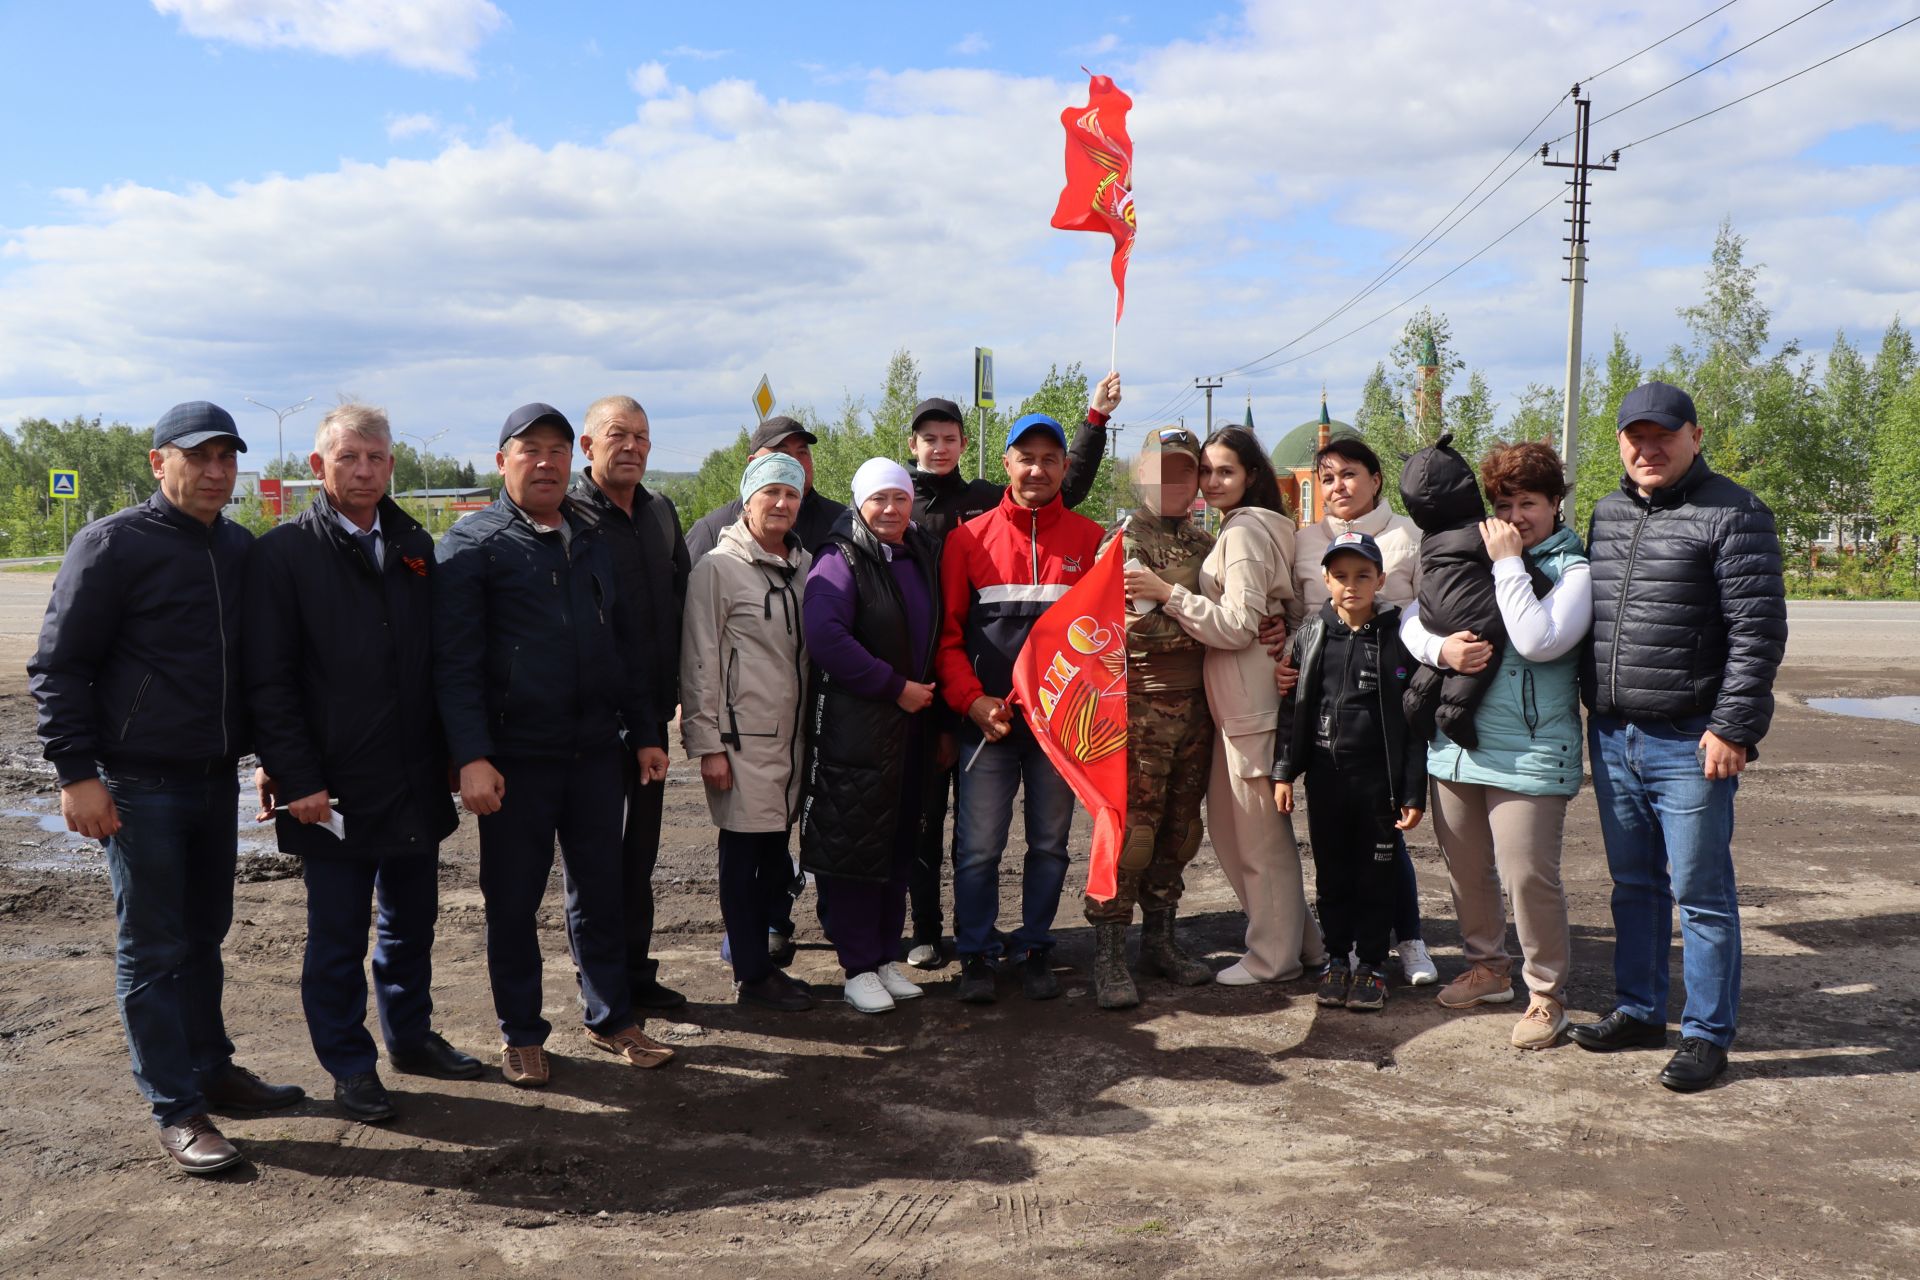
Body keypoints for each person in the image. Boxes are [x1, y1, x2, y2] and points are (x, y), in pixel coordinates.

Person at [29, 401, 303, 1175]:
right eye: (198, 457)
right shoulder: (113, 544)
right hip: (137, 782)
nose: (216, 472)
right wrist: (77, 774)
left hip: (214, 780)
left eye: (227, 459)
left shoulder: (240, 550)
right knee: (153, 947)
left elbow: (259, 673)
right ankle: (177, 1109)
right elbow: (60, 667)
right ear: (159, 462)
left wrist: (272, 757)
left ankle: (212, 1068)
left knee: (204, 934)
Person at [245, 404, 479, 1123]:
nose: (366, 471)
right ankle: (349, 1064)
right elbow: (269, 681)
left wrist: (449, 755)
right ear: (318, 467)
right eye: (350, 458)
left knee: (412, 922)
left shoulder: (411, 542)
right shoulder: (284, 554)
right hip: (333, 789)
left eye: (377, 458)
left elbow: (438, 660)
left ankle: (410, 1037)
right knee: (340, 933)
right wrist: (298, 774)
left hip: (411, 775)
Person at [434, 402, 674, 1086]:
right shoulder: (473, 546)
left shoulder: (590, 537)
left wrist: (646, 733)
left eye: (558, 451)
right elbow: (454, 665)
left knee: (601, 891)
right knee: (513, 900)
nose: (546, 462)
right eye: (530, 449)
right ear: (502, 460)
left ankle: (611, 1018)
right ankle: (522, 1032)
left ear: (574, 461)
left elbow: (621, 647)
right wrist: (472, 756)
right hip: (516, 760)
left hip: (596, 752)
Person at [1569, 381, 1786, 1092]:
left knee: (1700, 892)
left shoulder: (1735, 513)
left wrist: (1734, 727)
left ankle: (1706, 1034)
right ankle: (1638, 1008)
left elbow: (1757, 634)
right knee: (1633, 885)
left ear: (1695, 436)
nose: (1647, 447)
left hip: (1691, 742)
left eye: (1663, 434)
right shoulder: (1606, 513)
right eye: (1635, 435)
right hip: (1614, 735)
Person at [900, 379, 1118, 970]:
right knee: (976, 851)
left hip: (1058, 732)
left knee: (1048, 847)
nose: (1038, 470)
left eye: (1050, 460)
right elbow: (946, 639)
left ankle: (1036, 945)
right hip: (987, 725)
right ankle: (975, 951)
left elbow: (1102, 642)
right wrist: (970, 702)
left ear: (1063, 466)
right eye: (1027, 459)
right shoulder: (968, 541)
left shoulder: (1089, 540)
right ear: (1006, 464)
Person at [1398, 441, 1590, 1050]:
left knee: (1527, 875)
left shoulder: (1573, 571)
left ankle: (1545, 995)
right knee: (1466, 872)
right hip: (1458, 746)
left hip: (1530, 751)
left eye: (1529, 502)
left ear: (1556, 503)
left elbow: (1537, 639)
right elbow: (1415, 617)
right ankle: (1488, 969)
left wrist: (1507, 564)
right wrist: (1442, 651)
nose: (1515, 516)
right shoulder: (1474, 549)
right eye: (1504, 503)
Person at [1134, 425, 1324, 987]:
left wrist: (1169, 593)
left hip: (1248, 702)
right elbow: (1273, 614)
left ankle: (1274, 957)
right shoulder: (1255, 528)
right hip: (1242, 700)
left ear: (1252, 477)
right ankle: (1303, 945)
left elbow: (1238, 627)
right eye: (1206, 470)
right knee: (1240, 829)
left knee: (1257, 838)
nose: (1211, 482)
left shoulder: (1242, 533)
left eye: (1225, 471)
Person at [1287, 437, 1437, 985]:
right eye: (1326, 478)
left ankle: (1410, 938)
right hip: (1325, 697)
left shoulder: (1409, 536)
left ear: (1375, 478)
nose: (1337, 487)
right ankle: (1344, 951)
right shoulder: (1303, 540)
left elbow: (1429, 617)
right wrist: (1284, 655)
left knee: (1385, 835)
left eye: (1349, 474)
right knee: (1339, 847)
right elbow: (1290, 613)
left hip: (1386, 699)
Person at [798, 459, 941, 1013]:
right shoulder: (840, 559)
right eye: (879, 499)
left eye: (900, 498)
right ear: (859, 503)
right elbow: (826, 637)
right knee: (854, 846)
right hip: (856, 730)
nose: (890, 509)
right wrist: (894, 685)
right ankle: (856, 965)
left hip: (911, 728)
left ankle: (884, 956)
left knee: (898, 844)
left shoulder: (919, 551)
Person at [1087, 426, 1217, 1009]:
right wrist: (1199, 619)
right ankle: (1109, 953)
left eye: (1185, 471)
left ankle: (1159, 941)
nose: (1174, 482)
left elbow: (1234, 620)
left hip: (1198, 710)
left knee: (1182, 831)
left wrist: (1205, 617)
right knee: (1132, 834)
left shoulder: (1207, 543)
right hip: (1138, 711)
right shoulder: (1120, 544)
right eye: (1162, 469)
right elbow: (1130, 629)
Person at [568, 395, 691, 1012]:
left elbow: (680, 604)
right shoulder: (566, 517)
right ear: (588, 446)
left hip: (651, 718)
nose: (634, 447)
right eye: (619, 435)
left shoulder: (660, 513)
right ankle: (603, 989)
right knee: (594, 868)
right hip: (591, 724)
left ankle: (636, 976)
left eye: (643, 436)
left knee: (639, 855)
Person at [681, 453, 816, 1011]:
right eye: (771, 494)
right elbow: (699, 658)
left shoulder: (804, 564)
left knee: (775, 853)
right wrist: (707, 744)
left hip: (792, 740)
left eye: (791, 494)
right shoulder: (718, 568)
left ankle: (759, 962)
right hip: (741, 743)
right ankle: (752, 976)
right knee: (743, 857)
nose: (782, 503)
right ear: (747, 500)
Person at [1271, 532, 1426, 1013]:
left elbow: (1413, 724)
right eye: (1340, 576)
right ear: (1325, 580)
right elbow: (1291, 712)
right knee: (1332, 876)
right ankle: (1338, 959)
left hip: (1377, 785)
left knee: (1376, 878)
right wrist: (1282, 772)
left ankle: (1374, 966)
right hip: (1325, 781)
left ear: (1381, 579)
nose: (1351, 585)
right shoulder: (1311, 636)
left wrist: (1412, 790)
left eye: (1363, 575)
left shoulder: (1398, 637)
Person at [684, 416, 848, 560]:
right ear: (752, 464)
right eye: (782, 453)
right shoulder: (711, 530)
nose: (794, 462)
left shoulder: (842, 522)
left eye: (802, 452)